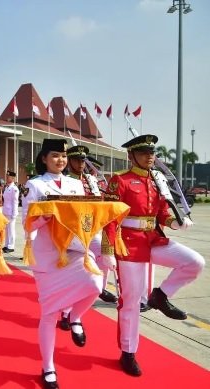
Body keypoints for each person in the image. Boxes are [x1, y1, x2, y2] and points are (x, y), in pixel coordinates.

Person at [101, 134, 205, 377]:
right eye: (144, 153)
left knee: (194, 262)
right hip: (128, 244)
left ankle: (160, 295)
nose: (150, 157)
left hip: (153, 239)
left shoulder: (157, 180)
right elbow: (109, 217)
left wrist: (175, 222)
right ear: (132, 155)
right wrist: (107, 249)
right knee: (131, 301)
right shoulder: (121, 180)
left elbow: (162, 212)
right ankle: (128, 352)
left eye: (152, 153)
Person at [24, 139, 103, 389]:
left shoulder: (75, 184)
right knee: (48, 314)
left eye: (64, 156)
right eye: (55, 155)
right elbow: (28, 221)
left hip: (75, 249)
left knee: (96, 284)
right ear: (44, 158)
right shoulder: (34, 185)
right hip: (47, 254)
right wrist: (44, 217)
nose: (61, 160)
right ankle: (48, 367)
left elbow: (83, 215)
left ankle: (75, 316)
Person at [66, 145, 117, 304]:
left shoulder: (91, 180)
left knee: (105, 255)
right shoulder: (64, 180)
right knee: (73, 266)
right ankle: (69, 301)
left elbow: (101, 200)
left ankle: (100, 288)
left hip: (92, 226)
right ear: (69, 161)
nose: (81, 163)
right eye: (77, 160)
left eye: (83, 160)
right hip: (71, 229)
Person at [2, 170, 19, 253]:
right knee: (6, 229)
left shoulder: (14, 188)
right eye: (7, 176)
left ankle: (11, 246)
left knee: (11, 229)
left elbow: (15, 202)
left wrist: (14, 213)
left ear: (12, 178)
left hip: (11, 212)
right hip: (5, 211)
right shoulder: (7, 187)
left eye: (8, 177)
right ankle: (6, 245)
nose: (7, 178)